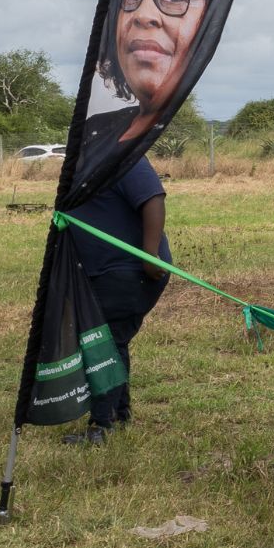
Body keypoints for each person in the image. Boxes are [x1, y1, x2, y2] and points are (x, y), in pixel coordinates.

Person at [72, 0, 241, 194]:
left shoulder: (152, 148)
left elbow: (152, 205)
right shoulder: (94, 132)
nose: (143, 14)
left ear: (212, 17)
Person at [63, 156, 171, 444]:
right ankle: (118, 414)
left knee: (104, 343)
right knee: (113, 340)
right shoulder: (90, 159)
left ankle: (102, 424)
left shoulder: (123, 157)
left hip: (129, 271)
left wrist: (149, 255)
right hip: (104, 273)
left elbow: (153, 198)